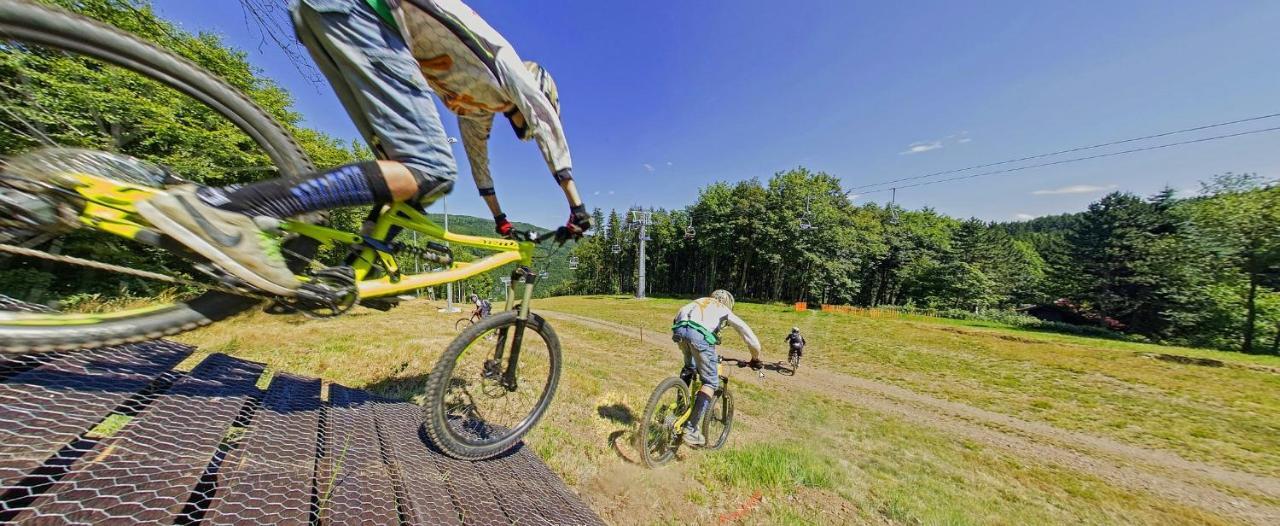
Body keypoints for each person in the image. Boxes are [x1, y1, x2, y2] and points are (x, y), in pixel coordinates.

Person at [135, 0, 590, 297]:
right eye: (525, 120)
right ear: (534, 95)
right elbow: (549, 125)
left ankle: (355, 274)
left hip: (333, 19)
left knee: (414, 184)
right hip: (366, 14)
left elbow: (480, 166)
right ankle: (229, 208)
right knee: (429, 167)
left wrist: (499, 218)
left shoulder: (476, 111)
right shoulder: (509, 66)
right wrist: (576, 206)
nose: (522, 126)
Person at [670, 290, 762, 447]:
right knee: (711, 382)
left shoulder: (700, 300)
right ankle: (691, 429)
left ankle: (680, 405)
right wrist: (755, 358)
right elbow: (747, 334)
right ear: (728, 303)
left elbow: (679, 316)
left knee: (690, 366)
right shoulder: (724, 309)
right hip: (698, 336)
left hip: (679, 329)